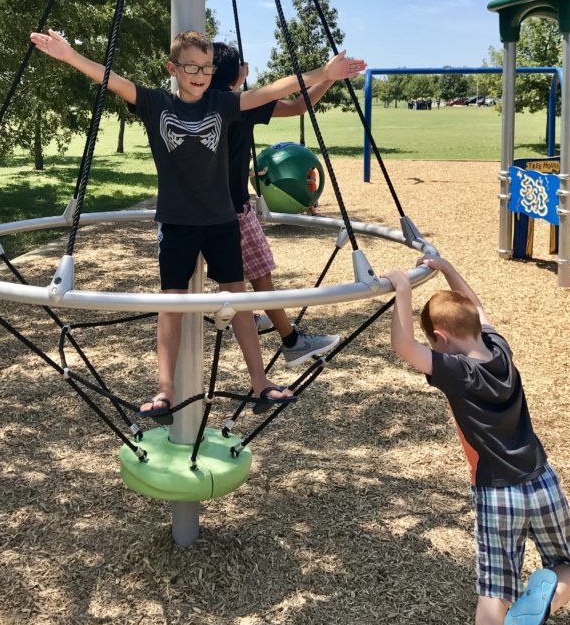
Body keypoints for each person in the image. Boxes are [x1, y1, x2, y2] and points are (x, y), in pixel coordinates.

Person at [31, 27, 365, 423]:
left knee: (239, 302)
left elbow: (277, 91)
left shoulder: (223, 104)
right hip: (177, 223)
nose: (200, 75)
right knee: (171, 304)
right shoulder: (156, 104)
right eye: (191, 66)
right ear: (173, 68)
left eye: (206, 67)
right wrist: (69, 54)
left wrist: (322, 73)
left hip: (222, 220)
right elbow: (110, 79)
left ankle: (260, 383)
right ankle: (165, 390)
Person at [383, 257, 570, 625]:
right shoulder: (500, 350)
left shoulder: (457, 372)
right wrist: (447, 269)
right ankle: (548, 599)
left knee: (493, 595)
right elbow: (477, 309)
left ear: (440, 338)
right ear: (475, 325)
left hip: (496, 492)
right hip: (542, 479)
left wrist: (402, 289)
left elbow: (402, 346)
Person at [210, 41, 362, 367]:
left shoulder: (198, 104)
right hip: (233, 210)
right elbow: (297, 106)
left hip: (203, 208)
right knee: (261, 274)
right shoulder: (241, 104)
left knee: (234, 273)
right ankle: (290, 340)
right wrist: (329, 77)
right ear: (236, 74)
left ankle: (243, 316)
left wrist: (249, 171)